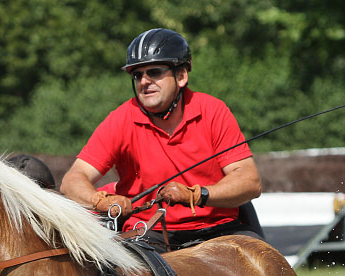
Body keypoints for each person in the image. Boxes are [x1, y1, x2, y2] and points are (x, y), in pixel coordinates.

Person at [60, 28, 264, 251]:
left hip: (220, 230)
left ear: (181, 76)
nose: (144, 81)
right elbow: (72, 180)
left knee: (268, 265)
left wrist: (196, 195)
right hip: (148, 234)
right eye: (137, 75)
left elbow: (249, 181)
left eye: (154, 72)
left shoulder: (213, 110)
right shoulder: (120, 119)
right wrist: (102, 201)